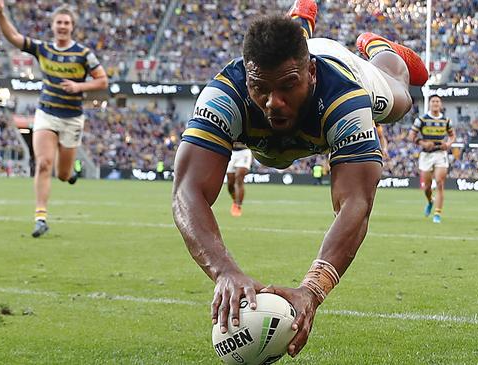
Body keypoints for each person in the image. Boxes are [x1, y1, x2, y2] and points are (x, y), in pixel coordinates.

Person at [172, 0, 427, 358]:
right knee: (280, 70)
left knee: (400, 95)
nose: (273, 102)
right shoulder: (224, 94)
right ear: (247, 76)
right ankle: (300, 20)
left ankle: (378, 46)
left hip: (348, 66)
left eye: (287, 87)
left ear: (310, 73)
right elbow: (186, 191)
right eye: (260, 88)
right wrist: (224, 272)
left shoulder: (346, 97)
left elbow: (355, 202)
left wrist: (312, 290)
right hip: (290, 75)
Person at [0, 0, 108, 237]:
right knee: (44, 164)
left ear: (72, 26)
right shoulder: (43, 48)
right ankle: (40, 217)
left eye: (66, 23)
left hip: (72, 118)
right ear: (52, 25)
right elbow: (14, 37)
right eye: (59, 22)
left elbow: (102, 81)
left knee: (63, 174)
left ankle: (68, 173)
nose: (62, 26)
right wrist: (0, 13)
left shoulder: (84, 54)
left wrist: (79, 87)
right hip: (46, 113)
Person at [408, 95, 456, 223]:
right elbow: (411, 135)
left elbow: (452, 136)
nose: (435, 103)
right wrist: (422, 143)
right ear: (429, 104)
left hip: (440, 154)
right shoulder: (421, 119)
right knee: (427, 186)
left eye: (438, 101)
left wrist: (448, 144)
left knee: (440, 182)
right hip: (426, 155)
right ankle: (430, 201)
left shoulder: (446, 120)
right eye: (433, 101)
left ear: (441, 105)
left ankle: (437, 214)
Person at [226, 142, 252, 217]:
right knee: (230, 183)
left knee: (239, 177)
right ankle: (235, 200)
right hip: (231, 152)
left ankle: (238, 205)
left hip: (244, 151)